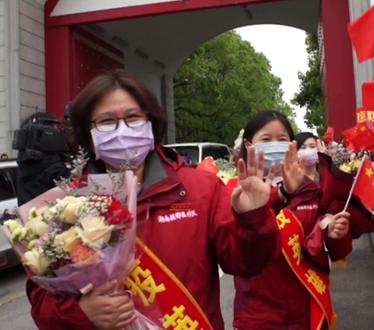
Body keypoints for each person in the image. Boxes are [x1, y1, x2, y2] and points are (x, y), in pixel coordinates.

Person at [27, 70, 280, 330]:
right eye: (105, 121)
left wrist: (253, 220)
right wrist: (80, 312)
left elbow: (245, 264)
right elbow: (42, 303)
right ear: (88, 134)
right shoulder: (66, 206)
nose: (121, 129)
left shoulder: (201, 189)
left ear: (151, 123)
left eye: (132, 117)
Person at [233, 111, 351, 330]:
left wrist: (333, 234)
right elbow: (234, 249)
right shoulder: (236, 192)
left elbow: (329, 249)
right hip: (259, 316)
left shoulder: (310, 189)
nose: (275, 146)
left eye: (283, 140)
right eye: (266, 140)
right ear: (249, 145)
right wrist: (280, 195)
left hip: (306, 310)